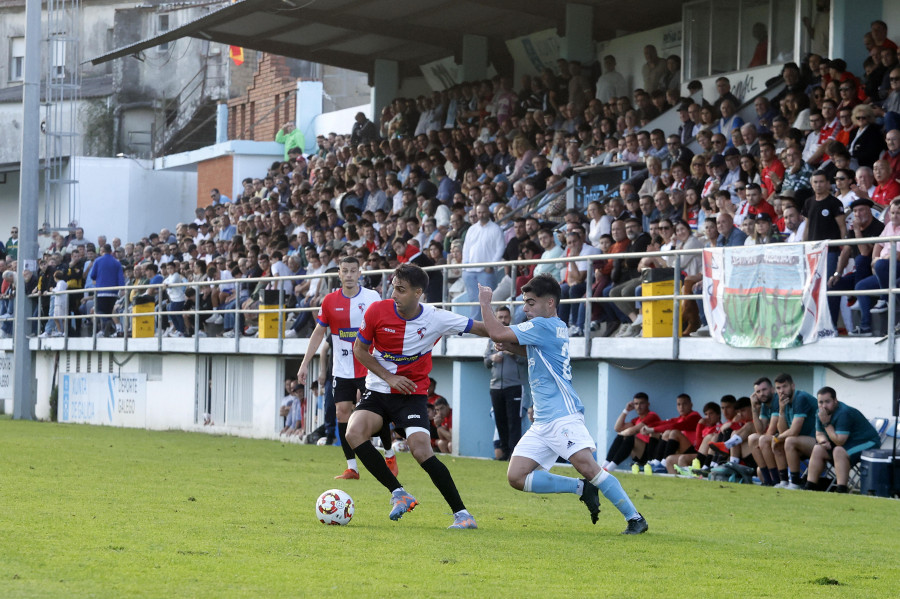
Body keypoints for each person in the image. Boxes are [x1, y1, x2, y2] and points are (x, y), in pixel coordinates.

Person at [478, 274, 648, 534]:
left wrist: (485, 303)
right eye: (524, 303)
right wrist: (513, 348)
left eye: (531, 303)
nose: (525, 309)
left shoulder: (543, 325)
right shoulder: (554, 325)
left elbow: (496, 331)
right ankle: (581, 488)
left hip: (563, 416)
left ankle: (635, 518)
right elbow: (538, 352)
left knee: (588, 466)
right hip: (544, 420)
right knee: (516, 476)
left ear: (549, 303)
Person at [347, 263, 490, 529]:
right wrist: (389, 377)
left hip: (411, 394)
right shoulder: (377, 310)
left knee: (421, 450)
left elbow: (480, 328)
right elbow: (360, 350)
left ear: (418, 292)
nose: (394, 293)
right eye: (393, 287)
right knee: (353, 433)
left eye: (401, 290)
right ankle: (398, 493)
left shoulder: (436, 317)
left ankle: (463, 515)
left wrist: (520, 338)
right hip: (378, 390)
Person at [296, 256, 396, 480]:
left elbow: (384, 327)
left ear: (360, 273)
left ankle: (389, 453)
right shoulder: (329, 301)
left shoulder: (372, 297)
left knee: (377, 414)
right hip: (341, 369)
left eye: (353, 271)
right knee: (342, 412)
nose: (349, 275)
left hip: (369, 367)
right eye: (345, 271)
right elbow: (318, 334)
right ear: (339, 274)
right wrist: (304, 363)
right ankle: (352, 467)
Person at [805, 386, 882, 493]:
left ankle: (841, 489)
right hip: (848, 442)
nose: (823, 406)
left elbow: (839, 441)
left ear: (835, 401)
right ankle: (810, 487)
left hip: (867, 442)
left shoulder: (844, 413)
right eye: (820, 402)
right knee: (818, 448)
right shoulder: (820, 412)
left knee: (838, 450)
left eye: (827, 402)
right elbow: (819, 434)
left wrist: (826, 424)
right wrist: (823, 441)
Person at [484, 306, 526, 461]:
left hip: (513, 386)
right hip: (495, 386)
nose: (503, 320)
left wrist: (513, 352)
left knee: (514, 421)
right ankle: (505, 452)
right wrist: (492, 358)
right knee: (500, 420)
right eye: (500, 317)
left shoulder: (516, 337)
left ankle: (514, 455)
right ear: (496, 318)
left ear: (510, 318)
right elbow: (486, 360)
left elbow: (526, 359)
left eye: (505, 317)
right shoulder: (491, 338)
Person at [602, 392, 661, 470]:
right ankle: (605, 465)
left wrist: (622, 434)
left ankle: (610, 468)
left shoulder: (652, 416)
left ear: (648, 404)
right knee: (621, 435)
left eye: (641, 403)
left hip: (651, 454)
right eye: (636, 404)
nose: (638, 407)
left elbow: (632, 431)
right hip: (640, 454)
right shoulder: (636, 419)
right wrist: (626, 410)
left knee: (629, 437)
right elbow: (618, 428)